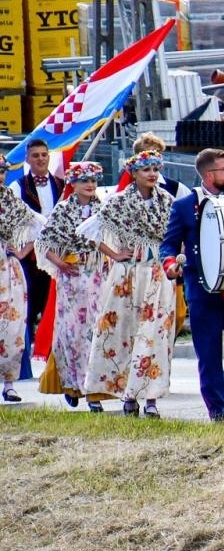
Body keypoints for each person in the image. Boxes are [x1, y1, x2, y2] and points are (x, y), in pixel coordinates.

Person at [162, 148, 224, 423]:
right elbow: (168, 244)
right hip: (203, 289)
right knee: (208, 353)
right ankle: (216, 410)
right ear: (208, 174)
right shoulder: (184, 205)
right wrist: (170, 264)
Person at [85, 151, 178, 417]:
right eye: (146, 169)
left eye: (155, 169)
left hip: (157, 275)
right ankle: (128, 394)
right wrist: (114, 254)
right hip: (128, 275)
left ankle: (151, 398)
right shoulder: (120, 201)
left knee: (156, 334)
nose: (151, 174)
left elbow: (177, 233)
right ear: (134, 173)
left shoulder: (167, 201)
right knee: (123, 332)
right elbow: (90, 230)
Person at [37, 162, 107, 409]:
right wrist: (61, 263)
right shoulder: (64, 210)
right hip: (73, 277)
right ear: (73, 184)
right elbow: (44, 243)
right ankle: (73, 383)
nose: (90, 185)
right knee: (73, 331)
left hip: (98, 274)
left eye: (94, 181)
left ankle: (95, 389)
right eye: (85, 180)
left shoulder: (103, 208)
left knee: (97, 329)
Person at [9, 137, 62, 377]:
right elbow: (15, 223)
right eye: (36, 155)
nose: (41, 159)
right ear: (27, 159)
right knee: (27, 310)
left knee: (55, 308)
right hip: (29, 259)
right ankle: (22, 366)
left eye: (44, 154)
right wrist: (22, 250)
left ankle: (55, 362)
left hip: (56, 257)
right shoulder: (18, 187)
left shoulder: (61, 184)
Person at [0, 181, 37, 401]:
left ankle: (9, 383)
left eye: (2, 171)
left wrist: (22, 251)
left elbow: (38, 225)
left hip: (8, 267)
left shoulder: (11, 201)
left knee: (11, 326)